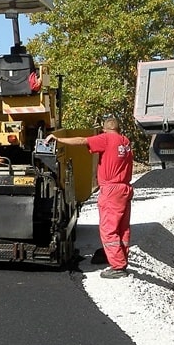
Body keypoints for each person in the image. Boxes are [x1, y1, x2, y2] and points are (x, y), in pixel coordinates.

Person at [44, 116, 134, 278]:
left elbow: (82, 140)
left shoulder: (106, 138)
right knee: (122, 228)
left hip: (111, 189)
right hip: (125, 188)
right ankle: (119, 256)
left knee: (108, 229)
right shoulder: (125, 141)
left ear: (104, 129)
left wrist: (58, 139)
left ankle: (118, 267)